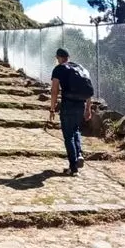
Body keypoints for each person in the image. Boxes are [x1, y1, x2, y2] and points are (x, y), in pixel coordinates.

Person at [49, 48, 93, 177]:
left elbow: (54, 90)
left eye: (57, 58)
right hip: (80, 104)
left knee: (68, 135)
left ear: (59, 57)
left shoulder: (59, 68)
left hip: (68, 104)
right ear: (69, 56)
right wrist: (88, 108)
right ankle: (78, 154)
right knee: (75, 130)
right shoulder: (80, 68)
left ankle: (73, 168)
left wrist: (52, 108)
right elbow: (88, 89)